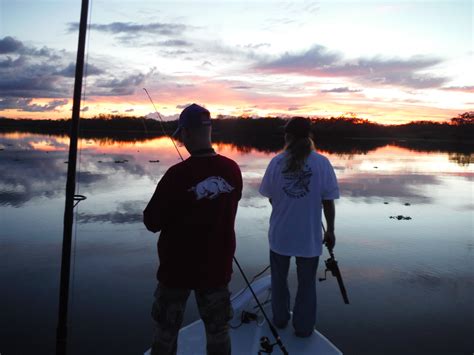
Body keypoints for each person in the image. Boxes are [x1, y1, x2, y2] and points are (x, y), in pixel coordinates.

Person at [143, 103, 243, 355]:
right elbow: (233, 201)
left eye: (181, 135)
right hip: (216, 268)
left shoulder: (176, 175)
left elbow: (151, 222)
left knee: (165, 333)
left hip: (175, 271)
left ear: (186, 133)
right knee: (218, 333)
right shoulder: (232, 170)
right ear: (209, 132)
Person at [258, 117, 339, 337]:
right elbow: (328, 201)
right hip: (309, 238)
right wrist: (330, 229)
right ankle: (303, 329)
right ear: (309, 136)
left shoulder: (276, 162)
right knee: (306, 285)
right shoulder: (322, 163)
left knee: (279, 281)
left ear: (288, 136)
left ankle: (280, 320)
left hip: (280, 236)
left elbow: (271, 197)